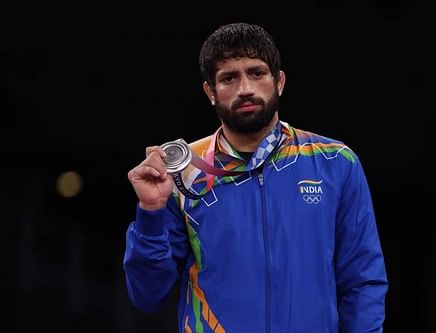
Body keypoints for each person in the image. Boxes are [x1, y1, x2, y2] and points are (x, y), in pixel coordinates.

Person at [123, 22, 388, 333]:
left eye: (257, 73)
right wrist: (150, 213)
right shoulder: (182, 172)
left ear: (279, 81)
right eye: (228, 78)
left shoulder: (334, 162)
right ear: (211, 91)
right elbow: (147, 295)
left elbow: (362, 281)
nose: (245, 88)